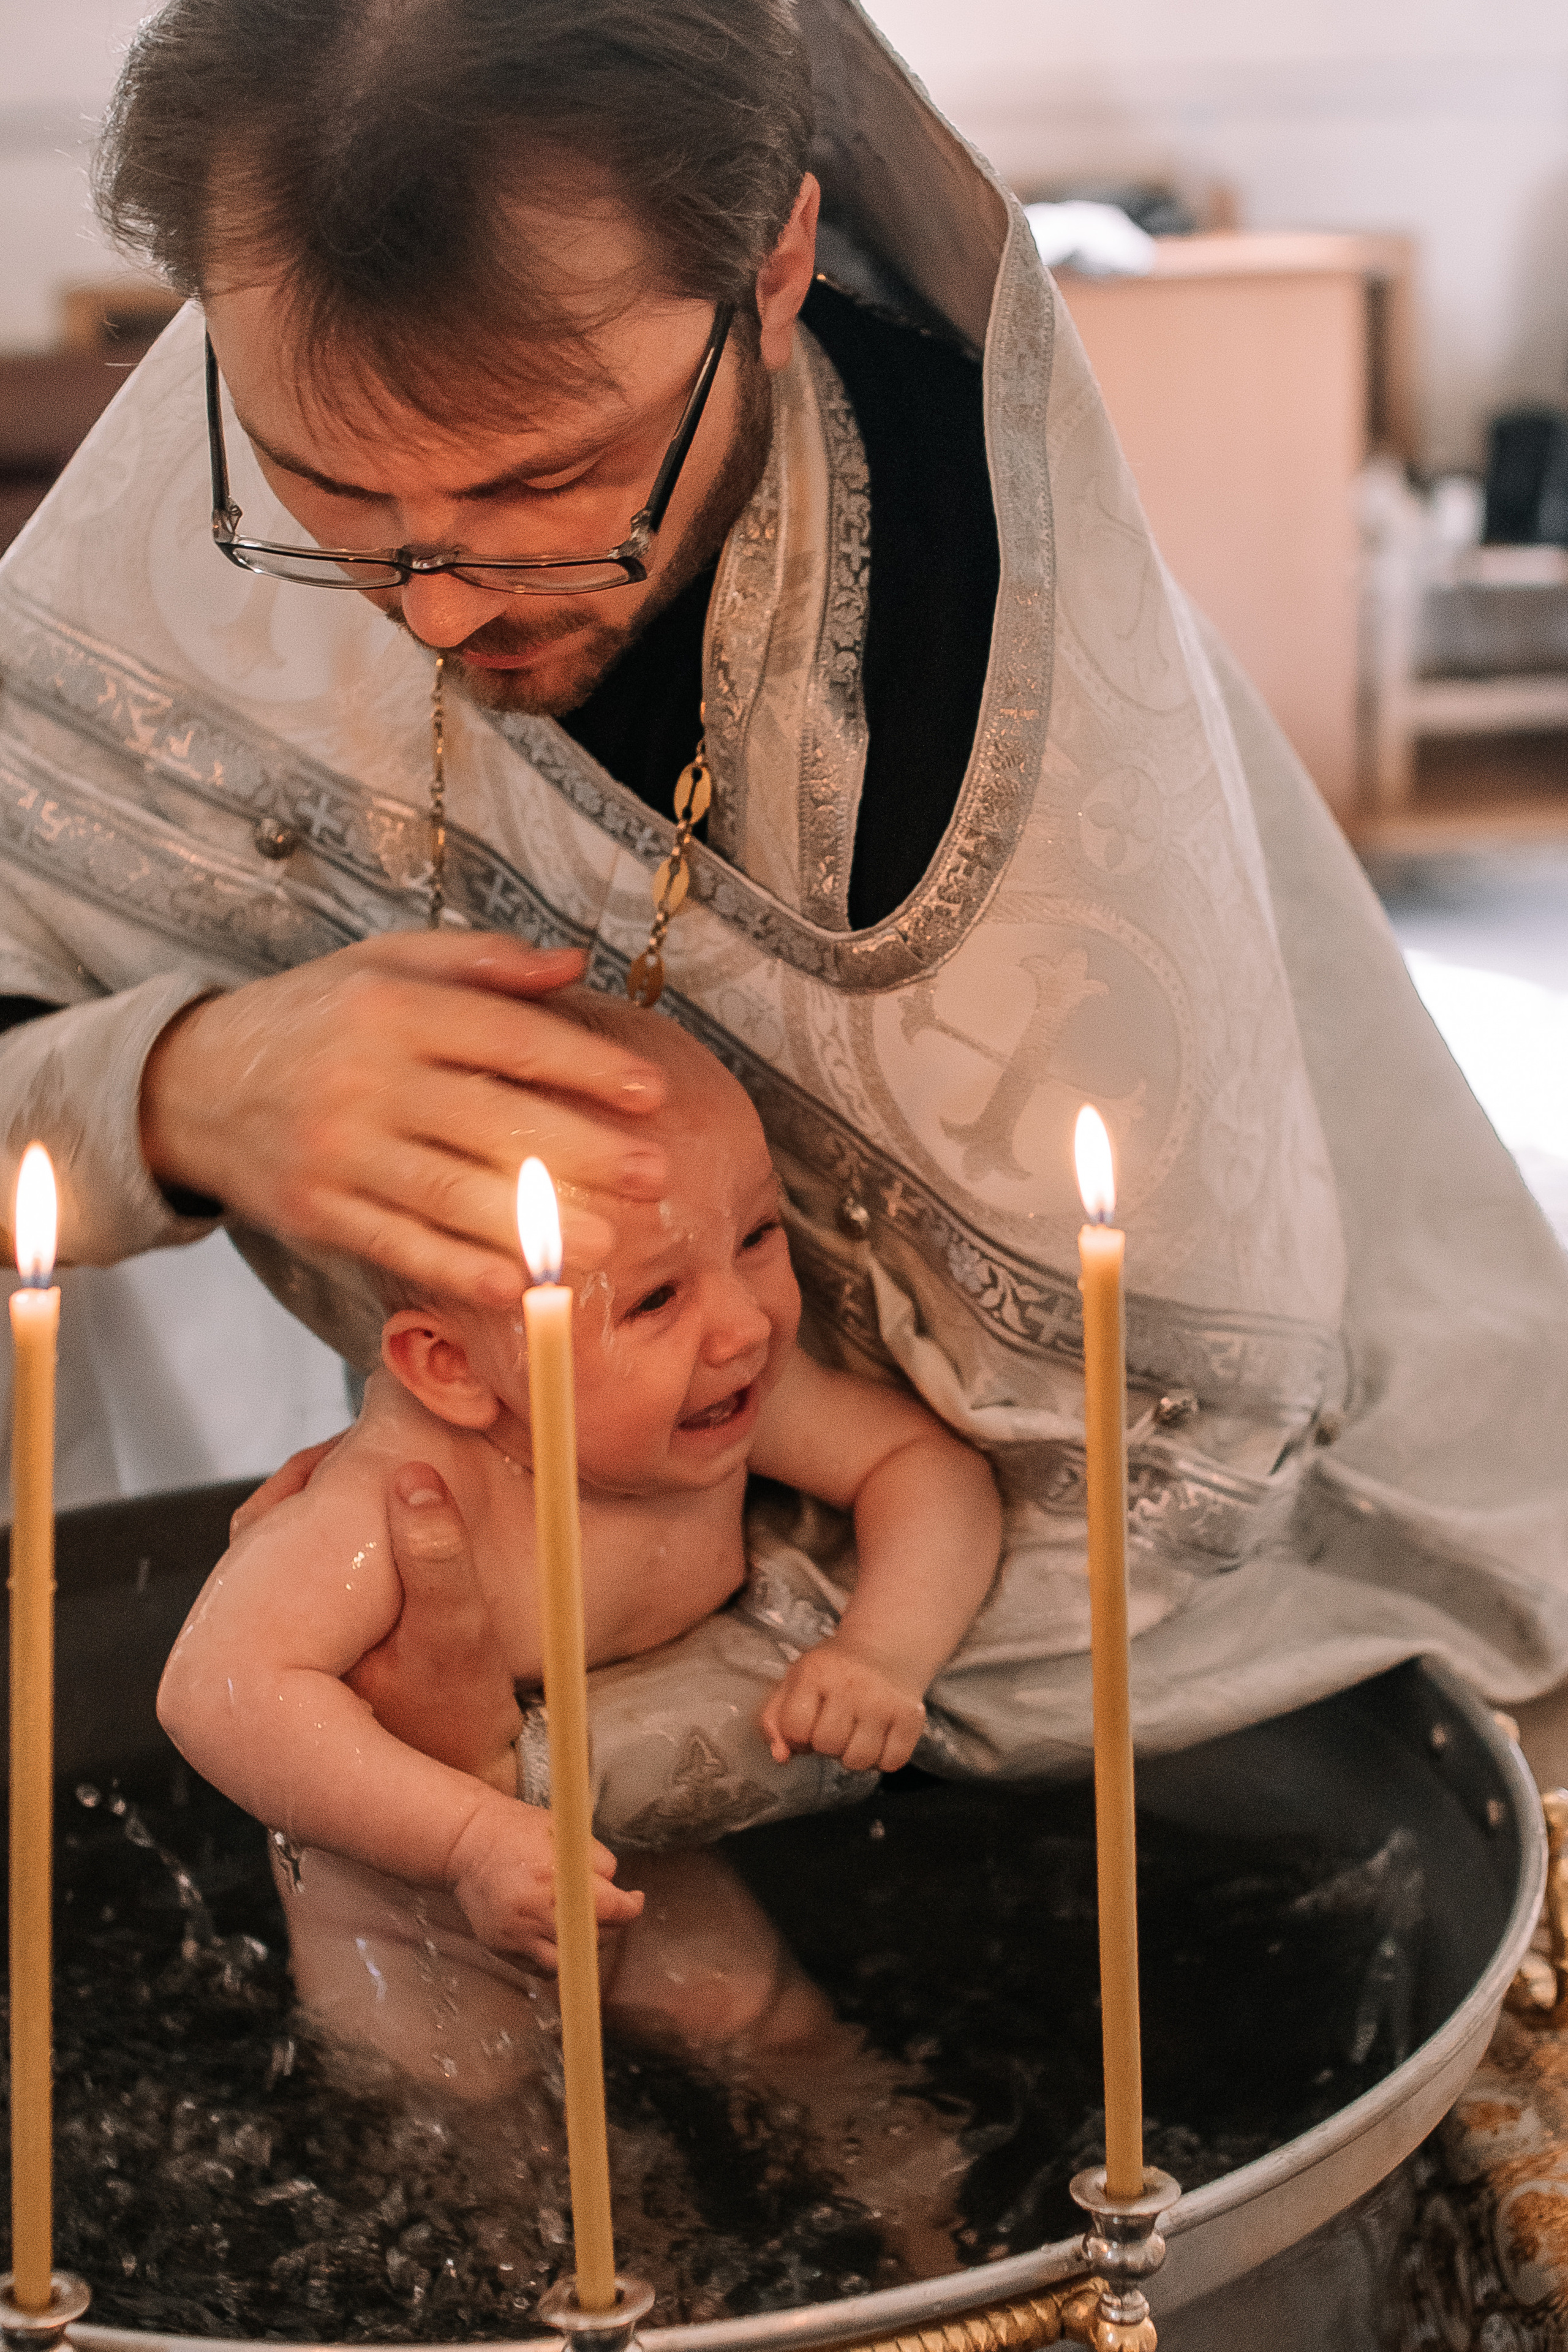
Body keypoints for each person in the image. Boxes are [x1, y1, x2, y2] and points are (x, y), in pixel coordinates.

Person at [0, 0, 1565, 1838]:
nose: (428, 611)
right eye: (331, 500)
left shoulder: (981, 678)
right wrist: (179, 1091)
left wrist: (489, 1783)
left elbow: (1138, 1494)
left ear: (776, 265)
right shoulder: (240, 403)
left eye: (543, 489)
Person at [155, 989, 1000, 1978]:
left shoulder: (726, 1387)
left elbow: (928, 1468)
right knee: (460, 2113)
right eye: (653, 1299)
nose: (746, 1326)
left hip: (625, 1844)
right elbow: (216, 1692)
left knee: (775, 2035)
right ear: (452, 1368)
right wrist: (466, 1840)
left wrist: (883, 1651)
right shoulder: (402, 1498)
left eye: (757, 1236)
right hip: (407, 1900)